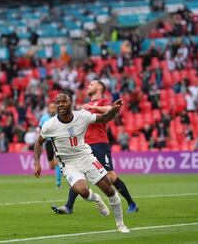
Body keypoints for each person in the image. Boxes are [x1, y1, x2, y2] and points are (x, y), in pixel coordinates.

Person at [33, 92, 129, 233]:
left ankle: (120, 224)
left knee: (109, 189)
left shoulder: (82, 116)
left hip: (86, 157)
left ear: (71, 103)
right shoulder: (50, 125)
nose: (60, 105)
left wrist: (114, 110)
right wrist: (37, 162)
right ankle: (96, 199)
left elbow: (104, 118)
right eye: (58, 102)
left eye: (63, 101)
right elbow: (38, 142)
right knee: (83, 191)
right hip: (68, 163)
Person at [51, 80, 138, 215]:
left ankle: (131, 203)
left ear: (99, 87)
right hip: (84, 145)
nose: (88, 86)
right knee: (78, 173)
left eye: (91, 84)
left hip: (100, 143)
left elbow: (110, 111)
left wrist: (93, 108)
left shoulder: (104, 101)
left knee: (110, 175)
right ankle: (69, 206)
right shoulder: (86, 106)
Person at [39, 102, 61, 188]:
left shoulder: (59, 117)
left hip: (57, 141)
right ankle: (61, 171)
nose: (52, 109)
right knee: (51, 165)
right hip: (48, 142)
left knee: (56, 162)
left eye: (54, 108)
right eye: (51, 108)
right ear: (48, 109)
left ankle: (58, 182)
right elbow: (41, 129)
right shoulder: (44, 118)